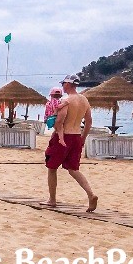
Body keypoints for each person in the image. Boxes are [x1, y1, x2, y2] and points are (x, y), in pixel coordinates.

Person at [41, 74, 98, 212]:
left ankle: (52, 200)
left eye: (63, 84)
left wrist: (55, 130)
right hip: (77, 136)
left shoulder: (66, 101)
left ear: (68, 84)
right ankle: (91, 194)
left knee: (52, 167)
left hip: (64, 136)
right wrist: (83, 138)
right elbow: (89, 121)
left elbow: (60, 121)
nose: (62, 86)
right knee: (73, 169)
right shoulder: (84, 100)